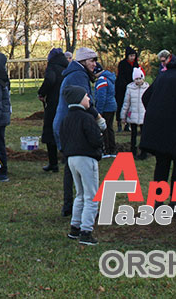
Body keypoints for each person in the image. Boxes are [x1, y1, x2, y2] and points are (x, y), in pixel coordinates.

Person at [53, 47, 107, 216]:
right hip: (73, 126)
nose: (95, 64)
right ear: (83, 61)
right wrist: (98, 118)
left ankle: (69, 206)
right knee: (80, 166)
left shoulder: (76, 73)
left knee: (71, 166)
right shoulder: (78, 75)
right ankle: (83, 206)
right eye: (92, 60)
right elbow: (85, 100)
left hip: (66, 124)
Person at [140, 53, 176, 198]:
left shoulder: (163, 75)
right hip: (175, 125)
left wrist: (155, 112)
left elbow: (145, 97)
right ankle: (174, 199)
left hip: (156, 125)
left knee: (162, 162)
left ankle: (158, 201)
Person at [60, 85, 103, 246]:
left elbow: (62, 139)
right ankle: (86, 231)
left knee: (80, 194)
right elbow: (96, 140)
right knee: (91, 196)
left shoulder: (66, 119)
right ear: (79, 100)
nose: (89, 99)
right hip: (86, 158)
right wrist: (99, 137)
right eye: (86, 96)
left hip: (71, 159)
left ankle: (75, 227)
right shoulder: (87, 118)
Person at [37, 48, 68, 172]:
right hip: (66, 102)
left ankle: (53, 163)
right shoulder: (67, 67)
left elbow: (50, 80)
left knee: (50, 132)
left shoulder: (52, 67)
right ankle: (66, 157)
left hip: (53, 103)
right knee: (65, 130)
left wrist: (42, 92)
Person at [121, 67, 149, 159]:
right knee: (133, 135)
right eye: (136, 79)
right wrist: (123, 116)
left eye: (140, 78)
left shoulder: (147, 88)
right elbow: (126, 102)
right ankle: (133, 151)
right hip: (133, 114)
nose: (138, 81)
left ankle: (144, 152)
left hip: (143, 115)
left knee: (144, 135)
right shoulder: (130, 88)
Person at [94, 63, 117, 157]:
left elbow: (101, 97)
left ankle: (106, 150)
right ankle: (112, 149)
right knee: (110, 128)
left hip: (106, 108)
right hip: (112, 106)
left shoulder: (101, 80)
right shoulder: (109, 78)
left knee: (104, 128)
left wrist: (99, 111)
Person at [115, 47, 140, 131]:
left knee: (130, 106)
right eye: (131, 56)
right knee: (120, 105)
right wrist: (125, 85)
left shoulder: (136, 64)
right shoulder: (122, 64)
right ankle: (119, 123)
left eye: (134, 56)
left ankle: (127, 124)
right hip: (121, 88)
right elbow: (121, 76)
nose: (132, 57)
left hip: (132, 87)